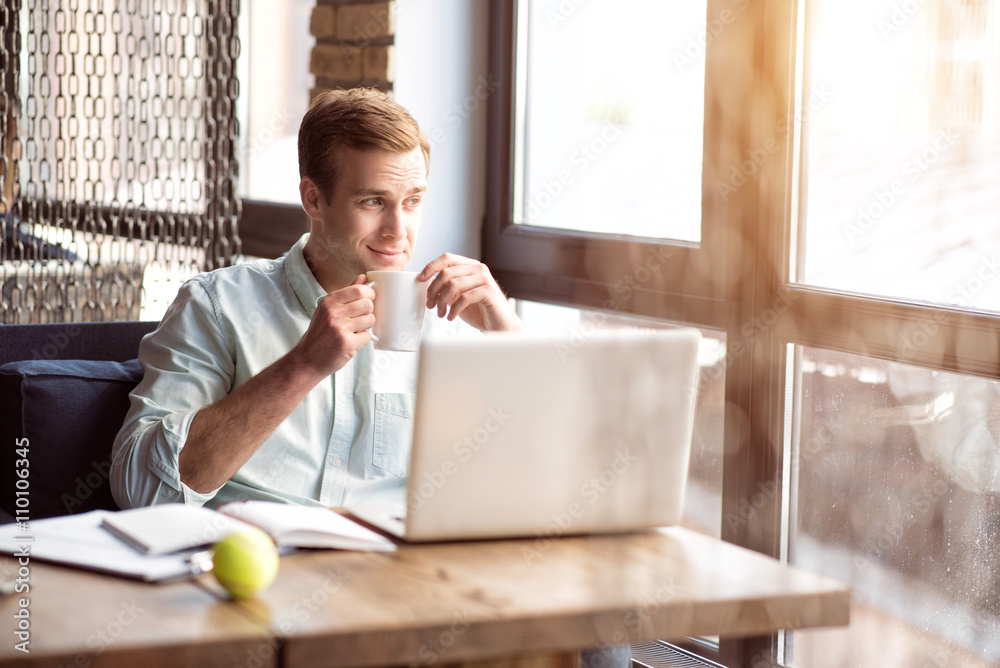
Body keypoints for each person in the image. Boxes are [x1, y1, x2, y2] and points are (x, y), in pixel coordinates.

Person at [110, 88, 522, 510]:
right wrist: (303, 365)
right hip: (252, 562)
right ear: (314, 199)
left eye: (412, 201)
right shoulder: (217, 304)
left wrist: (508, 333)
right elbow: (144, 493)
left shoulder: (450, 319)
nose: (398, 230)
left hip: (392, 568)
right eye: (374, 201)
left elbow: (537, 481)